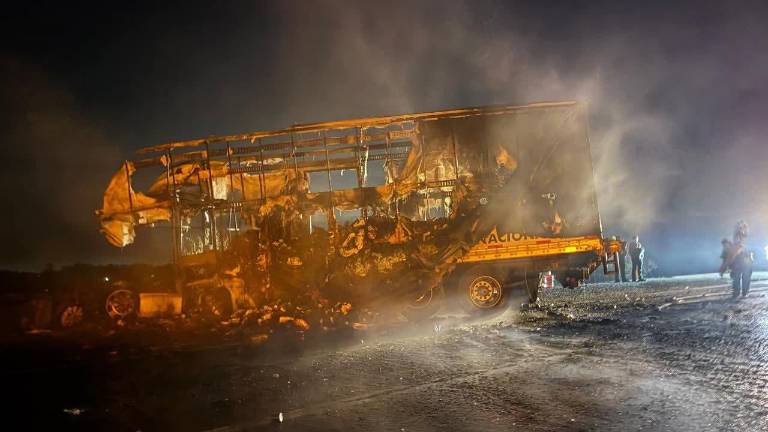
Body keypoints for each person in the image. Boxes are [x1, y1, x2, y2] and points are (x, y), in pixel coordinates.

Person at [728, 221, 753, 298]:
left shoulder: (747, 237)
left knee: (744, 276)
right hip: (739, 259)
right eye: (740, 227)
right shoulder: (734, 238)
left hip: (745, 259)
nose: (742, 229)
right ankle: (738, 292)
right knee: (737, 277)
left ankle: (743, 292)